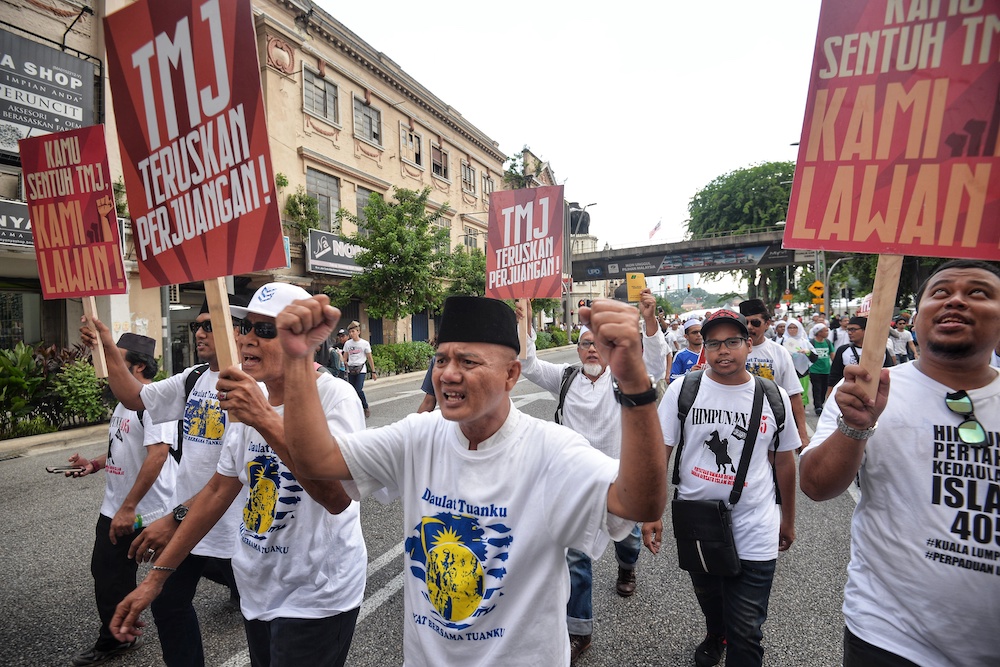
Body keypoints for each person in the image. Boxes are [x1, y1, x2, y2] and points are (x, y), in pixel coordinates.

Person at [267, 294, 666, 666]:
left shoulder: (552, 451)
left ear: (511, 375)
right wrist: (299, 360)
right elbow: (316, 459)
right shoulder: (419, 434)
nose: (448, 374)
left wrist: (635, 387)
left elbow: (639, 504)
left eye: (468, 362)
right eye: (440, 360)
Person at [111, 283, 368, 667]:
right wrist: (156, 579)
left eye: (265, 330)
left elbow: (336, 498)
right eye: (246, 327)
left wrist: (264, 418)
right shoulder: (251, 395)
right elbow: (218, 489)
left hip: (316, 595)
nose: (247, 338)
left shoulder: (335, 397)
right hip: (258, 587)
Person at [800, 259, 1000, 666]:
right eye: (941, 292)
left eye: (978, 292)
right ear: (918, 311)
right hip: (889, 638)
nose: (956, 301)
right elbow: (816, 485)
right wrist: (855, 427)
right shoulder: (866, 389)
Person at [80, 297, 248, 667]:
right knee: (170, 606)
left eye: (208, 324)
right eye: (196, 325)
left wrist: (174, 515)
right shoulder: (193, 377)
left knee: (261, 619)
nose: (199, 332)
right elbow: (134, 396)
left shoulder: (253, 388)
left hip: (239, 529)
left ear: (239, 330)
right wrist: (108, 345)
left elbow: (236, 473)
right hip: (189, 522)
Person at [517, 289, 668, 662]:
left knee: (628, 542)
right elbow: (530, 364)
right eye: (585, 344)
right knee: (575, 558)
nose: (591, 350)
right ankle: (579, 632)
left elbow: (652, 365)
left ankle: (627, 566)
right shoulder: (567, 379)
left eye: (597, 344)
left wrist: (649, 323)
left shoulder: (622, 379)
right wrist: (524, 320)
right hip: (574, 484)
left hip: (620, 482)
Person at [645, 310, 799, 667]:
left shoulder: (771, 395)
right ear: (703, 348)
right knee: (710, 596)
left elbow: (784, 462)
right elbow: (660, 454)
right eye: (714, 343)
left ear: (749, 345)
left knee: (747, 629)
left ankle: (732, 636)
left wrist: (787, 520)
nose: (723, 350)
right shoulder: (684, 389)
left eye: (732, 342)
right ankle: (716, 633)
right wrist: (651, 513)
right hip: (697, 522)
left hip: (756, 522)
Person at [66, 333, 177, 667]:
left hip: (149, 512)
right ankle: (116, 638)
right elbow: (123, 446)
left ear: (139, 366)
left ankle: (236, 581)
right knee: (108, 573)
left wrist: (129, 508)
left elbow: (157, 456)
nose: (107, 366)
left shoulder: (153, 403)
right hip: (117, 508)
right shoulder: (123, 400)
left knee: (197, 561)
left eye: (117, 358)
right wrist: (95, 463)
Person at [739, 299, 811, 447]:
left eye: (755, 323)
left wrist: (802, 433)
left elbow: (794, 393)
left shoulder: (779, 352)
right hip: (739, 423)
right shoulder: (732, 350)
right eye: (745, 322)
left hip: (773, 423)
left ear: (767, 324)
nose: (749, 327)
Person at [827, 316, 896, 397]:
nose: (849, 333)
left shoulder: (881, 351)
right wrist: (830, 396)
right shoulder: (843, 350)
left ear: (866, 330)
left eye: (853, 329)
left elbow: (889, 374)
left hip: (875, 395)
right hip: (848, 396)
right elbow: (834, 376)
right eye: (848, 330)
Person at [342, 321, 377, 418]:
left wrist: (373, 372)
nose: (351, 334)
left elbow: (370, 358)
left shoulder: (364, 344)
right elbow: (345, 358)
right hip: (351, 369)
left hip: (361, 369)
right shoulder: (347, 344)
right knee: (352, 391)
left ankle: (365, 407)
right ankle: (355, 409)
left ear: (358, 332)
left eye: (353, 331)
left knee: (358, 389)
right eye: (350, 332)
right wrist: (341, 360)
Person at [782, 321, 816, 408]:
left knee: (801, 395)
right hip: (786, 372)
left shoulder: (805, 342)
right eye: (790, 328)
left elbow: (814, 358)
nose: (792, 330)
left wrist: (807, 352)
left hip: (802, 373)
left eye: (795, 327)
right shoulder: (782, 341)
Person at [808, 324, 833, 415]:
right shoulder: (811, 343)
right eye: (825, 330)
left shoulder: (828, 342)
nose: (827, 332)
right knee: (817, 388)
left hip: (826, 370)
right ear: (819, 332)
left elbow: (832, 354)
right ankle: (818, 406)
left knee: (824, 389)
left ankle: (821, 402)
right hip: (815, 370)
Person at [670, 318, 704, 382]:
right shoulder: (680, 355)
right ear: (686, 336)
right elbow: (672, 378)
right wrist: (689, 373)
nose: (699, 335)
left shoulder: (710, 352)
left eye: (700, 332)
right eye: (694, 332)